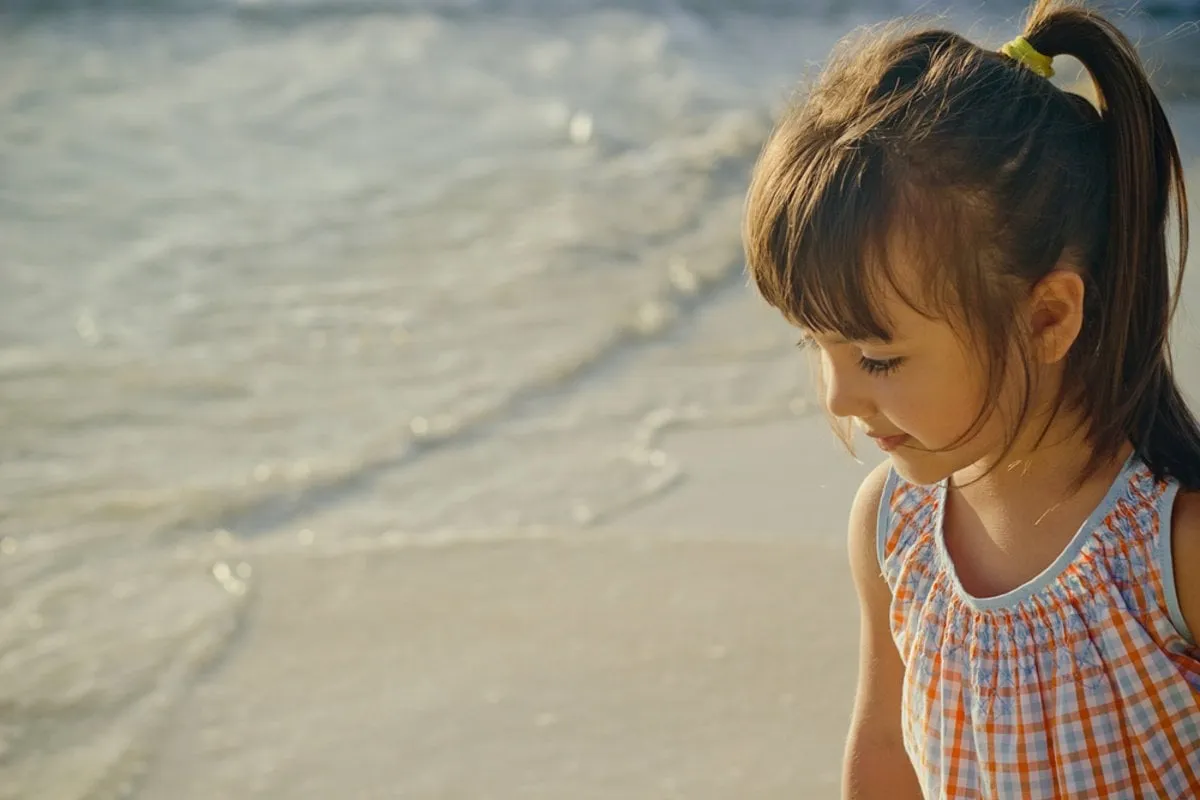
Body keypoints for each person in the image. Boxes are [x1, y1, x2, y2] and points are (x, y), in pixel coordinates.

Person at [742, 0, 1200, 796]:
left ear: (1047, 317)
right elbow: (884, 750)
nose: (840, 395)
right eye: (816, 345)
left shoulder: (1171, 551)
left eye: (879, 358)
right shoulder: (895, 529)